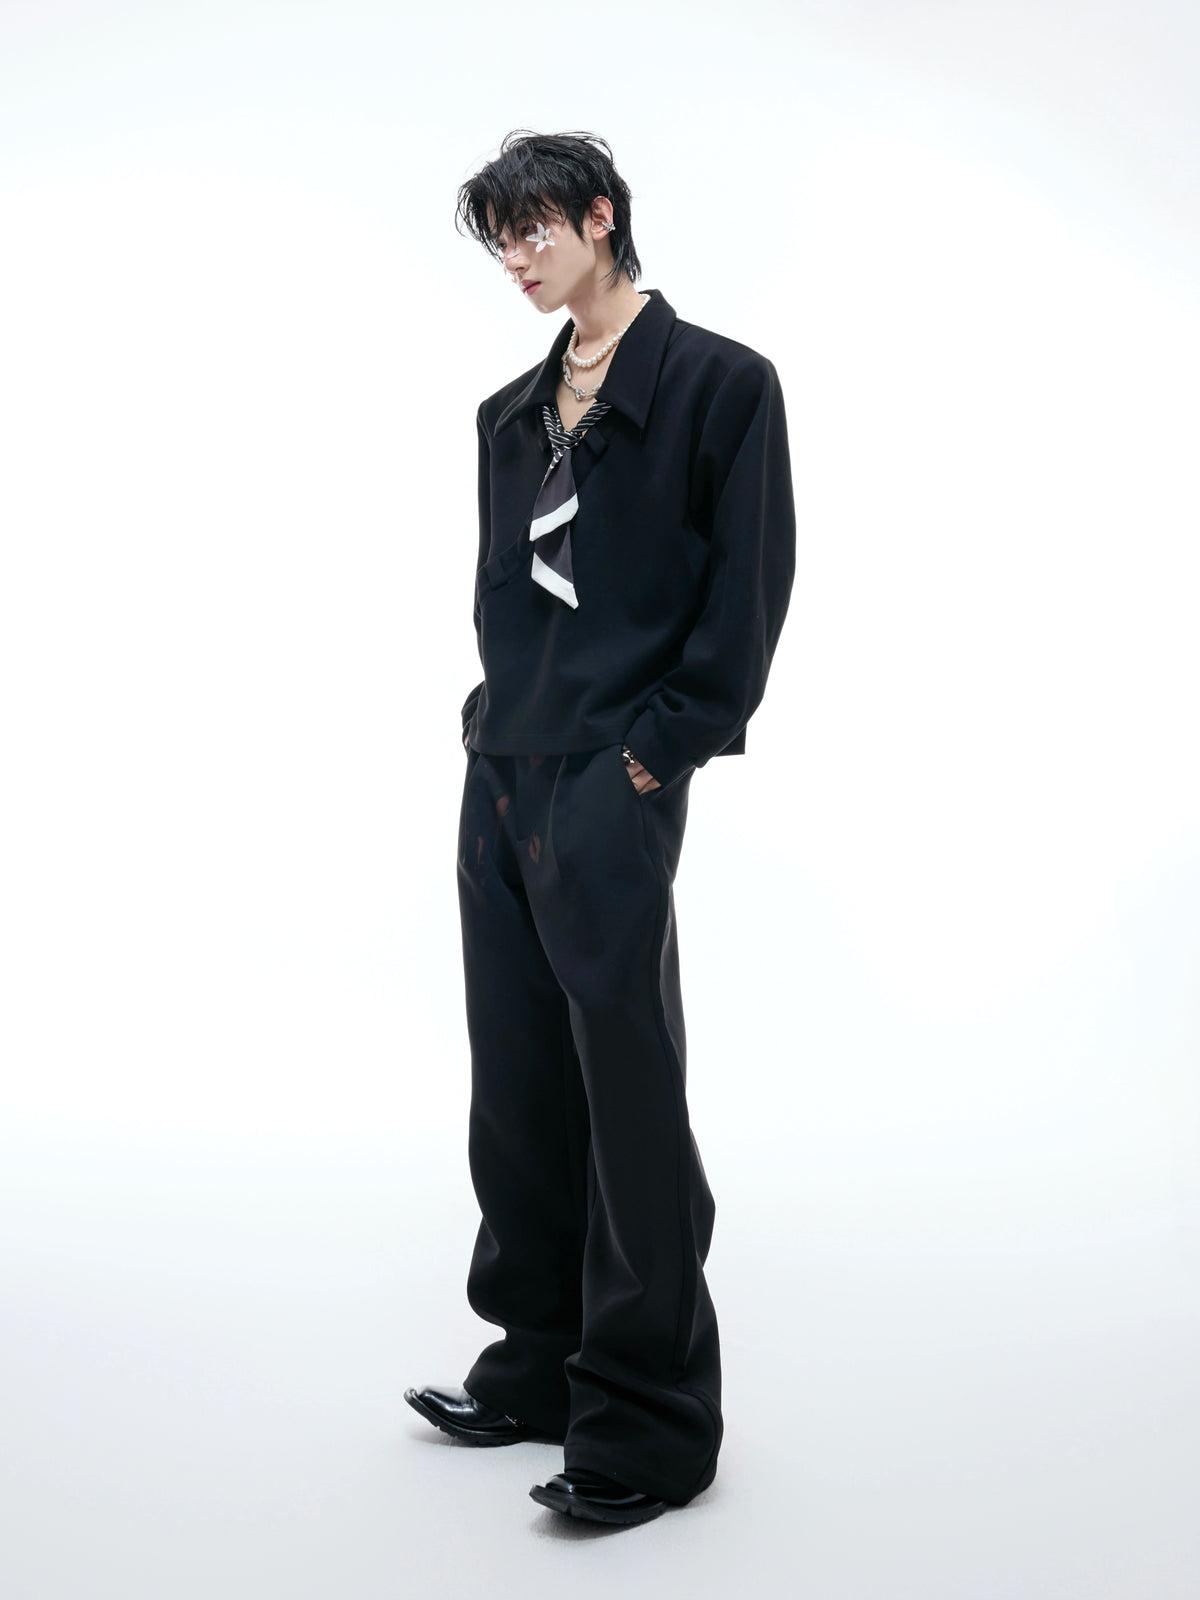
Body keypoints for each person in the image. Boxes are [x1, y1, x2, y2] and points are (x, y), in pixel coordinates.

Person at [405, 129, 796, 1527]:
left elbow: (745, 599)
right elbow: (502, 595)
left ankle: (651, 1424)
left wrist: (655, 754)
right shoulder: (508, 415)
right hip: (505, 771)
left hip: (613, 778)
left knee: (628, 1089)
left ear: (601, 216)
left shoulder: (721, 386)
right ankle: (539, 1365)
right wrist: (489, 724)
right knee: (516, 1084)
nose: (516, 259)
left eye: (534, 230)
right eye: (498, 240)